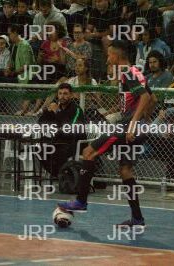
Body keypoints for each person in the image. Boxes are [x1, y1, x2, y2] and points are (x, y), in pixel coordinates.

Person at [58, 40, 153, 228]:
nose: (108, 59)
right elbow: (153, 98)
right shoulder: (135, 72)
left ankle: (81, 201)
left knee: (88, 152)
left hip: (128, 127)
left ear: (117, 56)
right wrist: (144, 120)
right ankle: (137, 218)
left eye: (109, 55)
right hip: (137, 126)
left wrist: (134, 123)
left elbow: (145, 97)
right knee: (125, 170)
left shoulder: (126, 72)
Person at [38, 83, 86, 178]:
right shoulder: (55, 107)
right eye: (60, 93)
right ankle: (58, 174)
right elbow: (41, 122)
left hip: (73, 143)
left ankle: (61, 175)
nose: (62, 96)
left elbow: (70, 129)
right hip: (57, 141)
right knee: (40, 149)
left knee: (57, 152)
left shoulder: (76, 110)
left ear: (71, 95)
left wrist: (57, 112)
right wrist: (47, 112)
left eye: (65, 94)